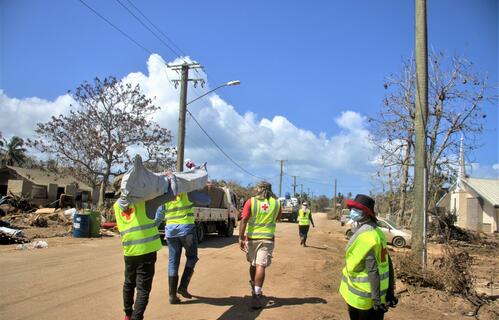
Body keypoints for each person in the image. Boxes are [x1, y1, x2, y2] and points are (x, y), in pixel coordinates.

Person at [113, 174, 174, 320]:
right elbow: (170, 195)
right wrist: (169, 179)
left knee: (128, 283)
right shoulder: (144, 202)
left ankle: (128, 315)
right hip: (146, 251)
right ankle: (136, 317)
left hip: (129, 251)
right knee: (143, 289)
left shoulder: (116, 206)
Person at [156, 167, 210, 304]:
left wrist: (152, 228)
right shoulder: (187, 192)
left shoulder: (165, 195)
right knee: (192, 257)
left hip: (170, 231)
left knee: (173, 262)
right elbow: (206, 201)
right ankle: (183, 287)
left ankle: (172, 296)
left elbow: (159, 215)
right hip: (187, 230)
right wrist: (203, 188)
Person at [339, 194, 398, 320]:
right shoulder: (377, 232)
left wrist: (376, 300)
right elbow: (387, 262)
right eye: (352, 209)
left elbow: (373, 270)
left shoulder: (366, 237)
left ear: (366, 213)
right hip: (375, 295)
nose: (352, 212)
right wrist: (389, 292)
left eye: (356, 210)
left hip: (363, 298)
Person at [238, 181, 282, 309]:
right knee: (260, 265)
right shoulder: (277, 203)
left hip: (252, 238)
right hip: (267, 238)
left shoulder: (250, 202)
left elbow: (244, 219)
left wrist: (240, 237)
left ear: (258, 189)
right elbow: (278, 218)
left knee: (254, 264)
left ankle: (255, 289)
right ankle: (257, 292)